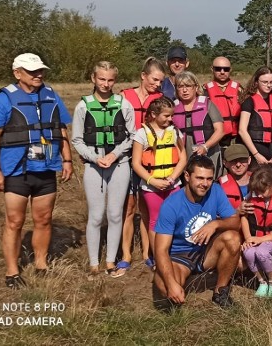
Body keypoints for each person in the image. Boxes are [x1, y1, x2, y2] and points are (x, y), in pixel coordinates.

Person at [0, 53, 73, 288]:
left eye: (40, 70)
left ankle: (41, 264)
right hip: (16, 170)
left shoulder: (51, 95)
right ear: (18, 73)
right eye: (32, 71)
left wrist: (67, 160)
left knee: (44, 219)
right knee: (14, 221)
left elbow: (60, 128)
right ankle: (12, 271)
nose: (39, 74)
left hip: (46, 168)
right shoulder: (4, 100)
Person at [71, 61, 136, 278]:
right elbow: (77, 140)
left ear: (114, 81)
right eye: (102, 79)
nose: (106, 84)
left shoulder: (124, 104)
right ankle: (93, 263)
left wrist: (114, 154)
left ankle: (110, 261)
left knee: (115, 214)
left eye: (110, 80)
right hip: (94, 165)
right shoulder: (83, 106)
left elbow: (132, 136)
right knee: (96, 215)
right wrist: (95, 157)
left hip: (119, 164)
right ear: (93, 78)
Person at [152, 156, 242, 310]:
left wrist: (215, 224)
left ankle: (220, 292)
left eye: (208, 178)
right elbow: (160, 250)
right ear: (187, 176)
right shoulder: (171, 205)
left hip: (205, 251)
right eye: (199, 178)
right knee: (164, 288)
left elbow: (236, 222)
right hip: (180, 257)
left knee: (233, 238)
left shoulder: (216, 191)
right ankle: (194, 280)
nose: (205, 183)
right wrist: (171, 283)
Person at [119, 57, 165, 271]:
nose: (157, 85)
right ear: (143, 76)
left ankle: (149, 253)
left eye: (160, 82)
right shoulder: (124, 97)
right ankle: (126, 254)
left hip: (151, 160)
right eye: (154, 80)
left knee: (147, 208)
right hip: (126, 159)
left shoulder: (160, 100)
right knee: (128, 208)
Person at [131, 97, 188, 261]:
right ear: (154, 114)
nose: (170, 119)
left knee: (175, 219)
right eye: (166, 116)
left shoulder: (175, 132)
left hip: (173, 184)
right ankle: (159, 258)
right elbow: (136, 164)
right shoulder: (141, 134)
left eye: (172, 116)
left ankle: (174, 255)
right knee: (155, 221)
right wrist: (152, 181)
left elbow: (183, 158)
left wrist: (172, 177)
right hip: (151, 187)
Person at [241, 166, 272, 298]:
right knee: (249, 252)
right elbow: (244, 219)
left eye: (262, 191)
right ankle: (261, 281)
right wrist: (248, 238)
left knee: (261, 252)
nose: (260, 195)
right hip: (254, 237)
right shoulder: (249, 198)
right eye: (257, 192)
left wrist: (260, 240)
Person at [239, 67, 272, 185]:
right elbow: (242, 130)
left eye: (271, 82)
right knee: (258, 185)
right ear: (256, 82)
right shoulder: (249, 102)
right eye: (265, 82)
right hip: (256, 148)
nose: (269, 85)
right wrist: (256, 155)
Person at [172, 71, 225, 176]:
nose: (184, 90)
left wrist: (206, 146)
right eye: (180, 86)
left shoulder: (208, 104)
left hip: (208, 152)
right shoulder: (172, 108)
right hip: (183, 156)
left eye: (188, 86)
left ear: (196, 87)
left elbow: (220, 130)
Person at [203, 57, 242, 149]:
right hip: (214, 138)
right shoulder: (204, 91)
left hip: (235, 139)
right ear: (212, 69)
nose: (222, 72)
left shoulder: (240, 90)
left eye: (226, 69)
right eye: (218, 69)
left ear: (230, 70)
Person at [217, 144, 252, 209]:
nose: (238, 165)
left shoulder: (262, 181)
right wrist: (237, 212)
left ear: (249, 160)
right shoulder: (218, 187)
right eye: (233, 161)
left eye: (242, 160)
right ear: (225, 163)